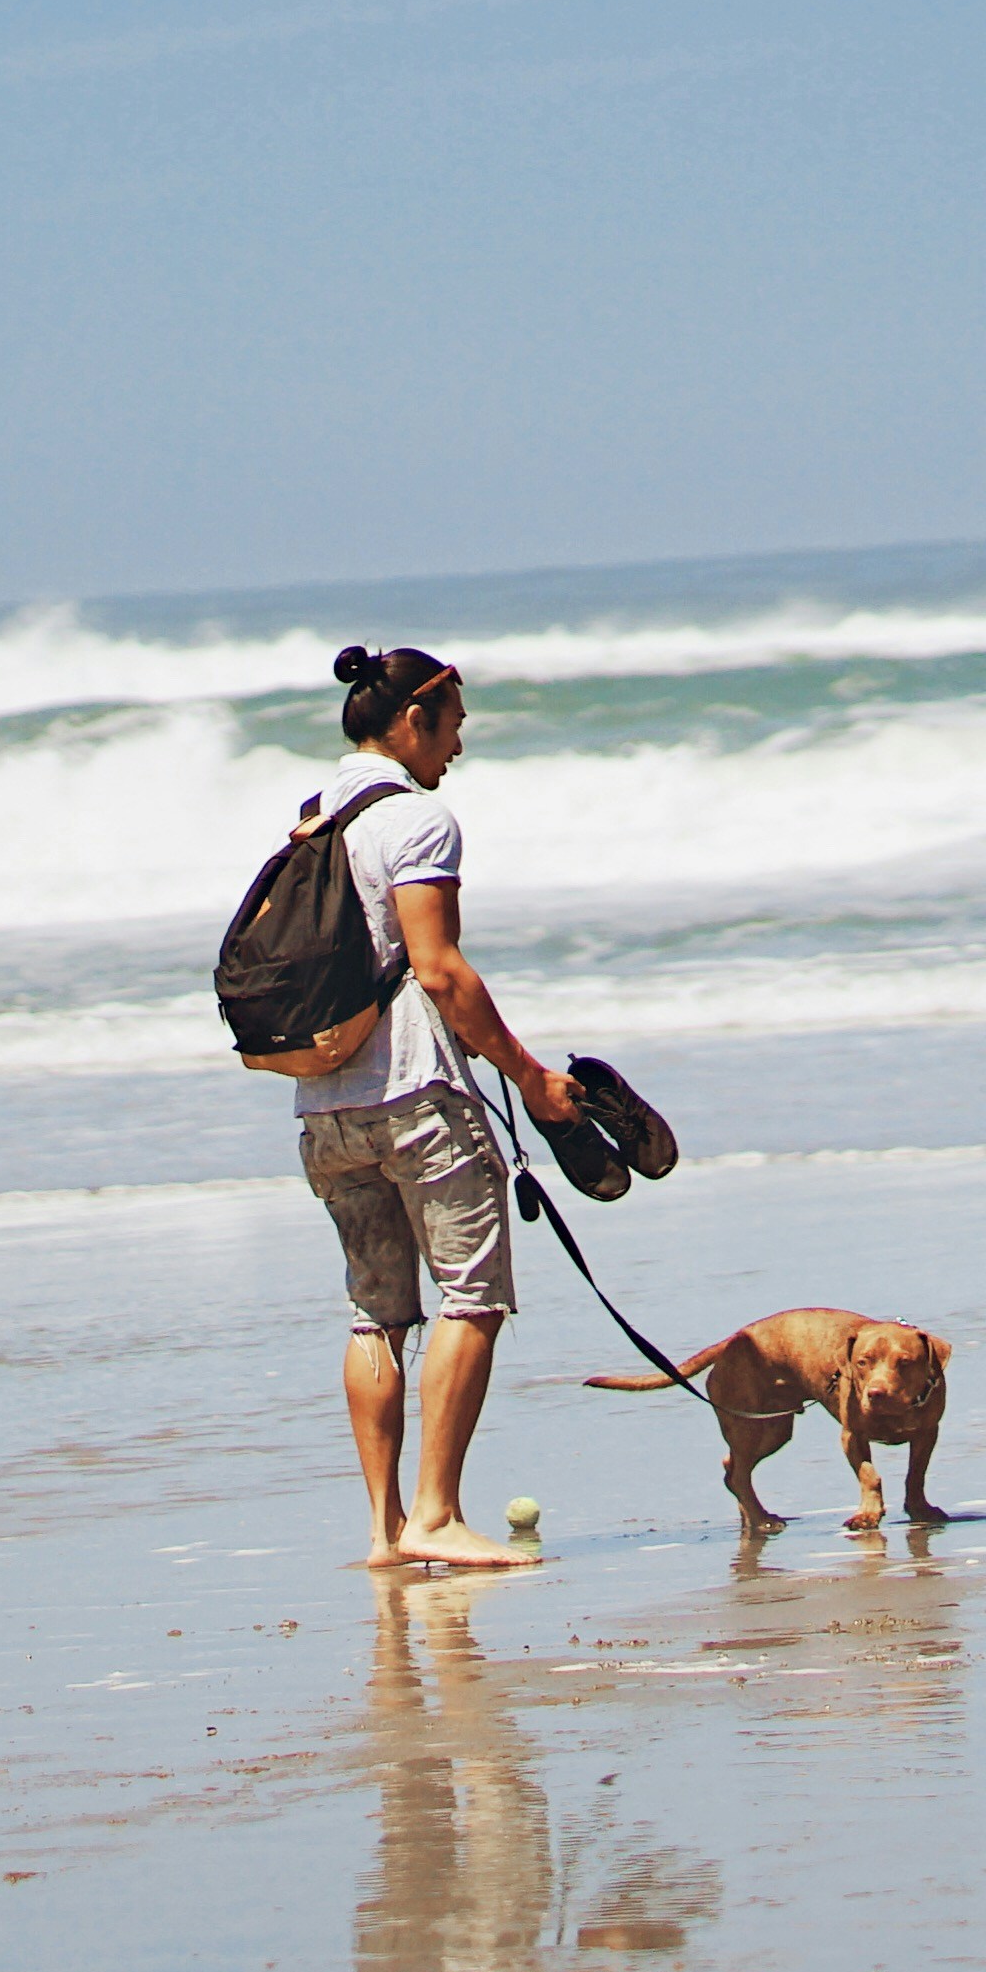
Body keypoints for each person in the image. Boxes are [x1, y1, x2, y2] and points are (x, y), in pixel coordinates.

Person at [291, 643, 585, 1572]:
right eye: (454, 725)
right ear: (413, 719)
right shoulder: (417, 820)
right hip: (417, 1097)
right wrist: (529, 1076)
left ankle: (386, 1531)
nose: (457, 746)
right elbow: (440, 970)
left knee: (376, 1313)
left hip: (325, 1106)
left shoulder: (312, 818)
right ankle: (437, 1514)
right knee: (473, 1296)